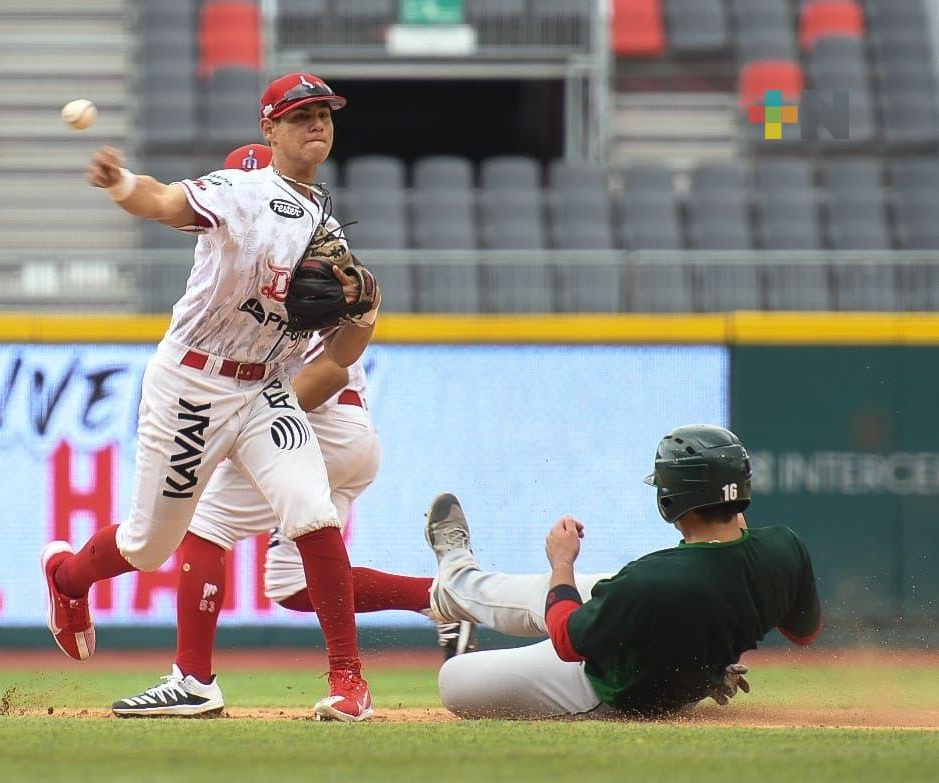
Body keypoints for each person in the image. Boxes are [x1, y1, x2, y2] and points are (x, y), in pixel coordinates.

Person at [40, 73, 383, 722]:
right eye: (300, 115)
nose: (317, 123)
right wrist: (121, 183)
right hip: (194, 383)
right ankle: (66, 577)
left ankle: (348, 680)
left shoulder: (327, 227)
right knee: (148, 546)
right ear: (270, 129)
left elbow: (341, 354)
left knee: (312, 511)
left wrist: (366, 310)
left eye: (324, 114)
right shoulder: (241, 190)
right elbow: (166, 202)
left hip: (264, 388)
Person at [109, 144, 474, 720]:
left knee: (208, 525)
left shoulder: (294, 254)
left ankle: (194, 678)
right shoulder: (283, 256)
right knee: (291, 583)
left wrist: (234, 427)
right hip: (346, 434)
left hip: (324, 421)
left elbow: (330, 370)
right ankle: (439, 599)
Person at [426, 424, 823, 719]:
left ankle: (456, 585)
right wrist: (708, 653)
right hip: (677, 662)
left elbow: (566, 641)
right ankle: (456, 580)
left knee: (454, 680)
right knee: (548, 593)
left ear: (670, 498)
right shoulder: (784, 548)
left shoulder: (651, 578)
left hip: (610, 689)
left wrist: (562, 562)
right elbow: (803, 633)